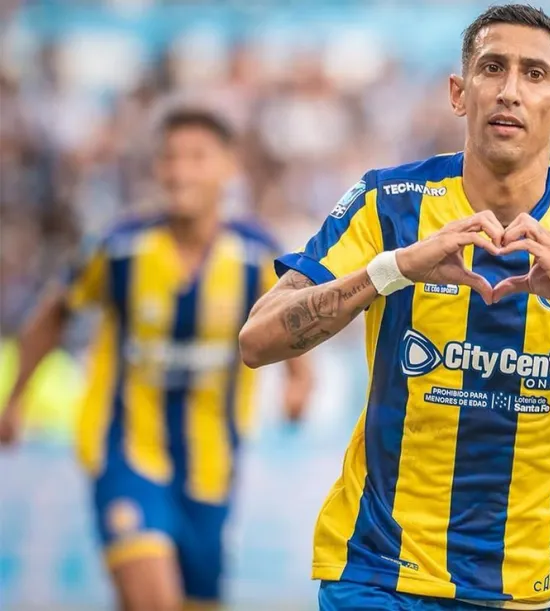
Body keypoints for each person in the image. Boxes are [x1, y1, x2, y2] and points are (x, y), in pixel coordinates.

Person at [239, 4, 550, 610]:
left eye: (535, 74)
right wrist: (395, 269)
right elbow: (257, 340)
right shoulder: (390, 204)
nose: (510, 91)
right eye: (492, 68)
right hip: (379, 572)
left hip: (524, 586)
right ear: (459, 93)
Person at [0, 108, 314, 611]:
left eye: (196, 157)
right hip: (125, 453)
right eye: (169, 158)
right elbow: (52, 315)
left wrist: (299, 381)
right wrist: (16, 399)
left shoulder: (255, 255)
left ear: (228, 167)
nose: (179, 171)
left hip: (211, 466)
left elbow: (294, 321)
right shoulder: (121, 247)